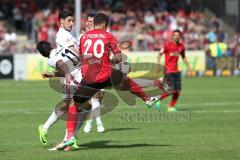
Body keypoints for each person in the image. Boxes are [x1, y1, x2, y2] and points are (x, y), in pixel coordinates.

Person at [57, 13, 161, 150]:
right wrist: (112, 60)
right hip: (106, 75)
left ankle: (70, 137)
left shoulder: (84, 37)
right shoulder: (108, 36)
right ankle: (147, 99)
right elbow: (118, 57)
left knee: (73, 105)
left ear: (94, 24)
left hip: (88, 79)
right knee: (124, 79)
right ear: (105, 25)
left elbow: (82, 57)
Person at [157, 29, 191, 112]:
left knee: (178, 91)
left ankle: (171, 107)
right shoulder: (167, 45)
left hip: (176, 71)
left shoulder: (181, 46)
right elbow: (160, 54)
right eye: (175, 35)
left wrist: (189, 66)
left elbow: (183, 56)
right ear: (172, 36)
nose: (176, 36)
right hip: (169, 71)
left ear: (180, 36)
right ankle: (157, 99)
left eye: (178, 35)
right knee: (171, 90)